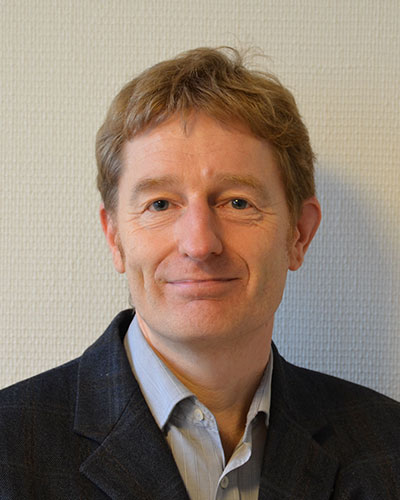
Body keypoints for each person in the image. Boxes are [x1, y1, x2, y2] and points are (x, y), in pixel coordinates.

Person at [0, 47, 399, 500]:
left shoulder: (389, 446)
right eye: (160, 204)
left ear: (299, 235)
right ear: (115, 238)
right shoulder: (10, 447)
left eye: (237, 202)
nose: (199, 243)